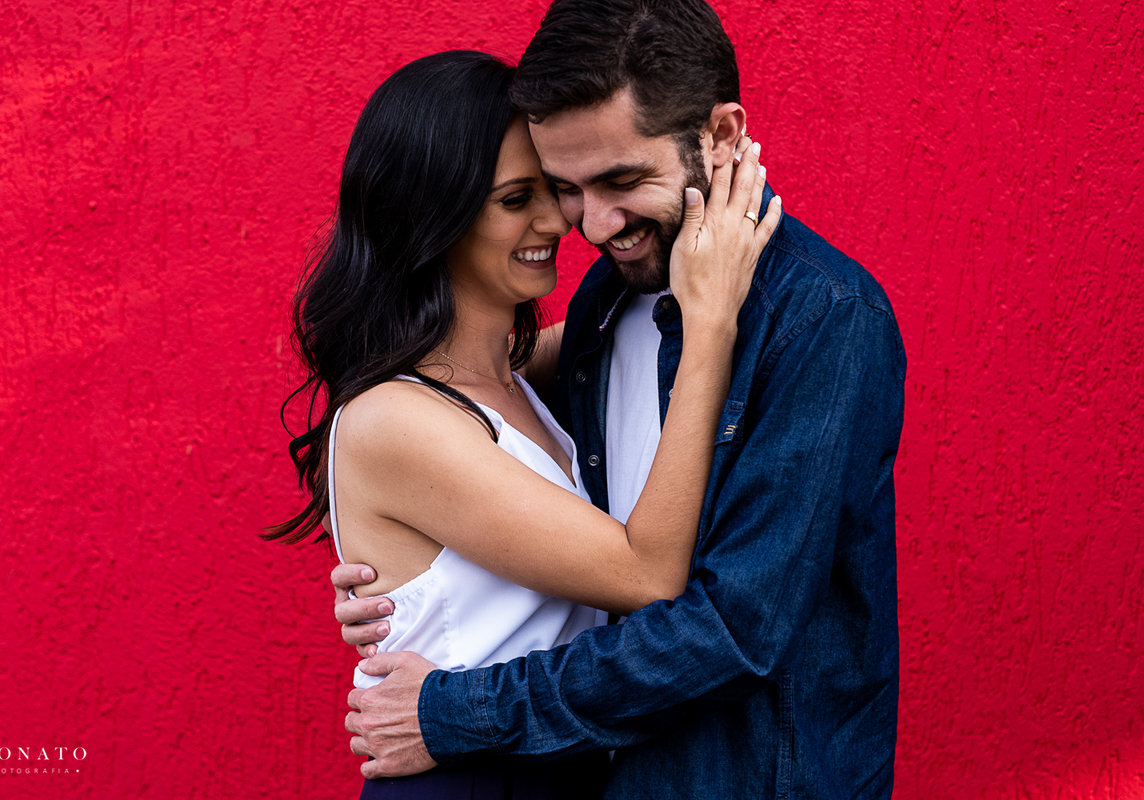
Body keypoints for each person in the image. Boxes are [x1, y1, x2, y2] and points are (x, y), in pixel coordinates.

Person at [333, 2, 908, 799]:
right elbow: (463, 425)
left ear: (724, 135)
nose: (592, 226)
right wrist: (410, 581)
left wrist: (453, 707)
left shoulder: (821, 321)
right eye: (563, 188)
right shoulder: (609, 299)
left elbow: (736, 630)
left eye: (622, 181)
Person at [267, 49, 779, 798]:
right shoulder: (393, 419)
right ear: (432, 216)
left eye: (554, 189)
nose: (558, 221)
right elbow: (646, 574)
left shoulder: (515, 377)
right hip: (467, 773)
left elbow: (615, 330)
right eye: (516, 199)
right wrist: (710, 325)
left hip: (553, 761)